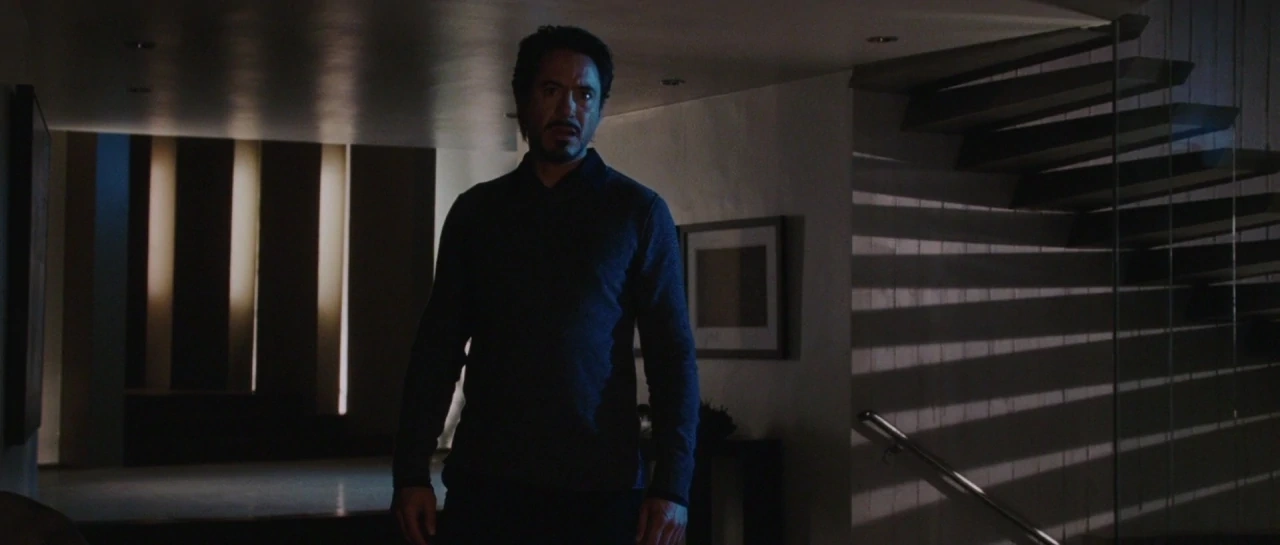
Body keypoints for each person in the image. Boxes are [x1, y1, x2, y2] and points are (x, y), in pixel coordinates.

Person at [391, 25, 700, 545]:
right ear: (523, 99)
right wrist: (410, 471)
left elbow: (672, 357)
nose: (569, 108)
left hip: (599, 487)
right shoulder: (477, 213)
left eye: (585, 94)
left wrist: (673, 485)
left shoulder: (638, 213)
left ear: (600, 107)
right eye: (552, 89)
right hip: (488, 481)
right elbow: (437, 349)